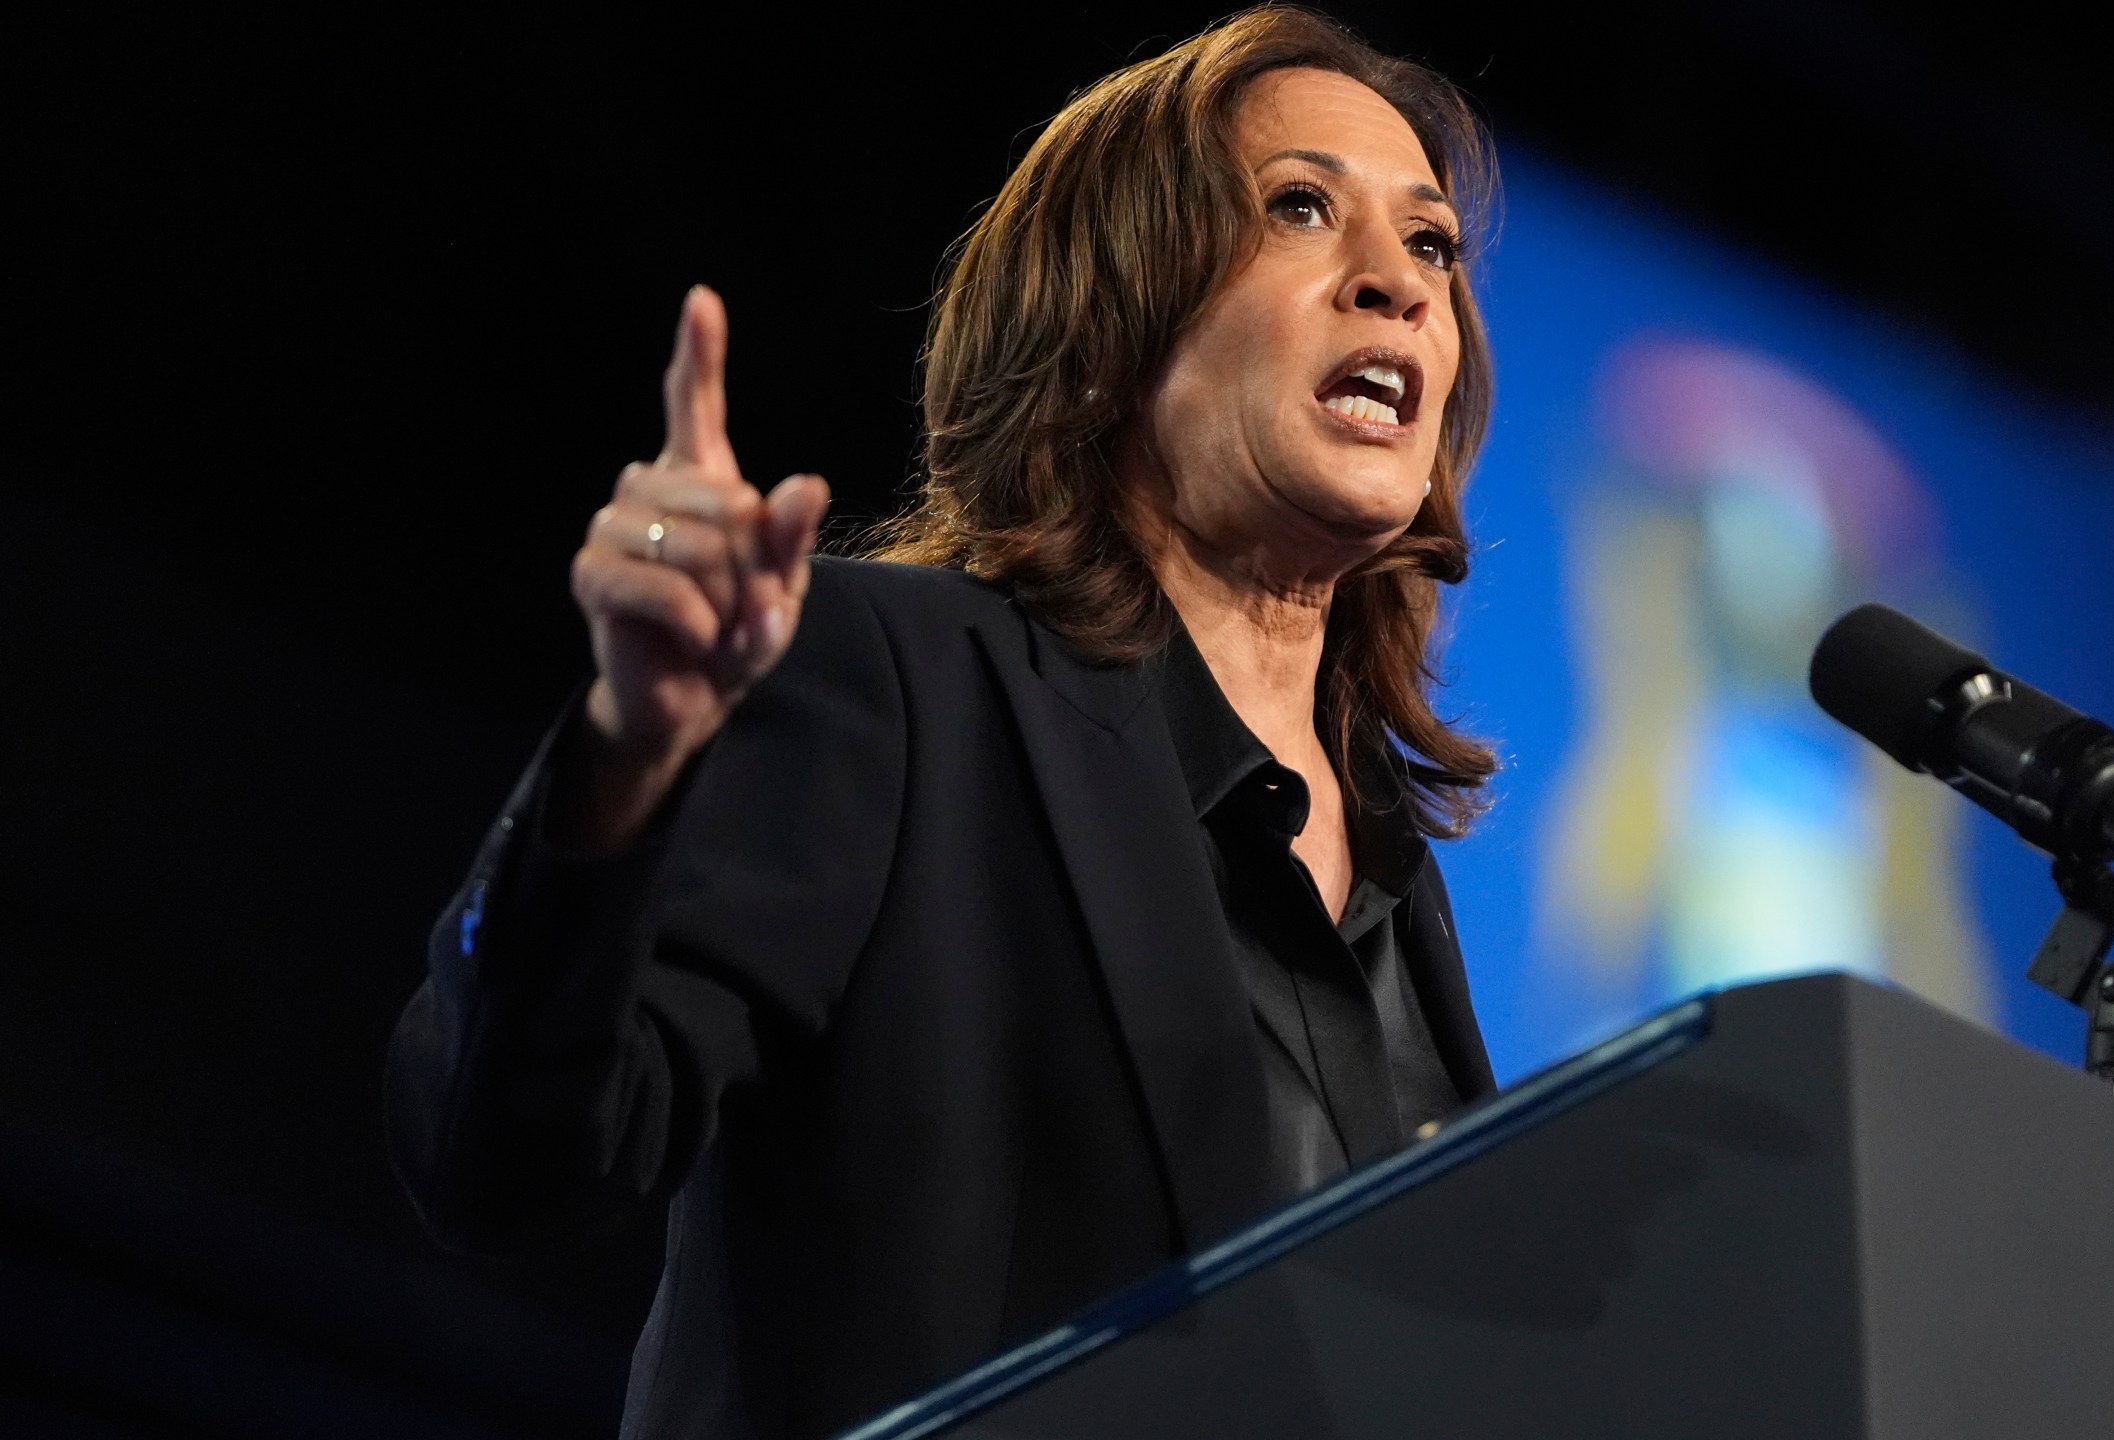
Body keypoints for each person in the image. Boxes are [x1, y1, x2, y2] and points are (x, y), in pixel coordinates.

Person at [387, 9, 1502, 1437]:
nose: (1399, 289)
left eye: (1432, 246)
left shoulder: (1404, 891)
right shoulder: (896, 685)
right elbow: (505, 1158)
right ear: (1110, 323)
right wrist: (627, 754)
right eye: (1300, 208)